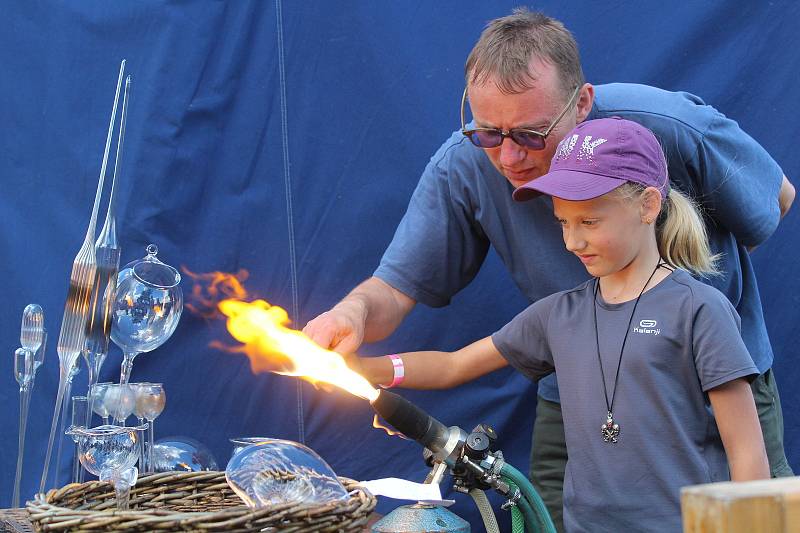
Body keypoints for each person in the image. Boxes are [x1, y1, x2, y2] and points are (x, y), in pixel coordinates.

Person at [303, 8, 795, 530]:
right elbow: (420, 318)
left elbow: (777, 198)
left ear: (580, 103)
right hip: (579, 391)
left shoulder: (665, 128)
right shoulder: (477, 182)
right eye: (489, 132)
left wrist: (675, 311)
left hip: (707, 375)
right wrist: (351, 325)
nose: (509, 157)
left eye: (532, 136)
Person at [353, 117, 770, 533]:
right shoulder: (558, 315)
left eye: (589, 222)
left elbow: (749, 454)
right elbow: (453, 366)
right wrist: (357, 369)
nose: (572, 242)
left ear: (648, 205)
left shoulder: (700, 310)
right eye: (563, 222)